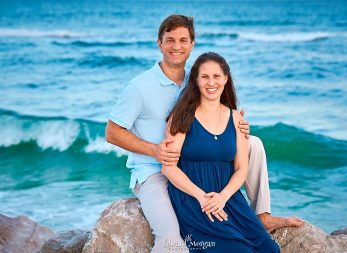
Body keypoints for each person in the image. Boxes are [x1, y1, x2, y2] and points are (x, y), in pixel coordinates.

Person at [106, 15, 302, 253]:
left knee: (255, 144)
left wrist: (237, 127)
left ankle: (262, 215)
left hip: (195, 157)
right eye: (170, 40)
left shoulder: (196, 79)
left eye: (183, 40)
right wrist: (155, 150)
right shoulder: (139, 87)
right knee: (171, 241)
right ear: (159, 43)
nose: (176, 46)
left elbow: (214, 113)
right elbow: (112, 132)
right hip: (154, 170)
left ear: (192, 44)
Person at [163, 52, 280, 253]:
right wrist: (203, 198)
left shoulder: (236, 119)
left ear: (225, 79)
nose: (211, 83)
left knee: (269, 249)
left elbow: (242, 169)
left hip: (228, 198)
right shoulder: (182, 117)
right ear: (196, 81)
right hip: (193, 198)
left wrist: (223, 196)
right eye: (205, 77)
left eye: (217, 76)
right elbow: (169, 168)